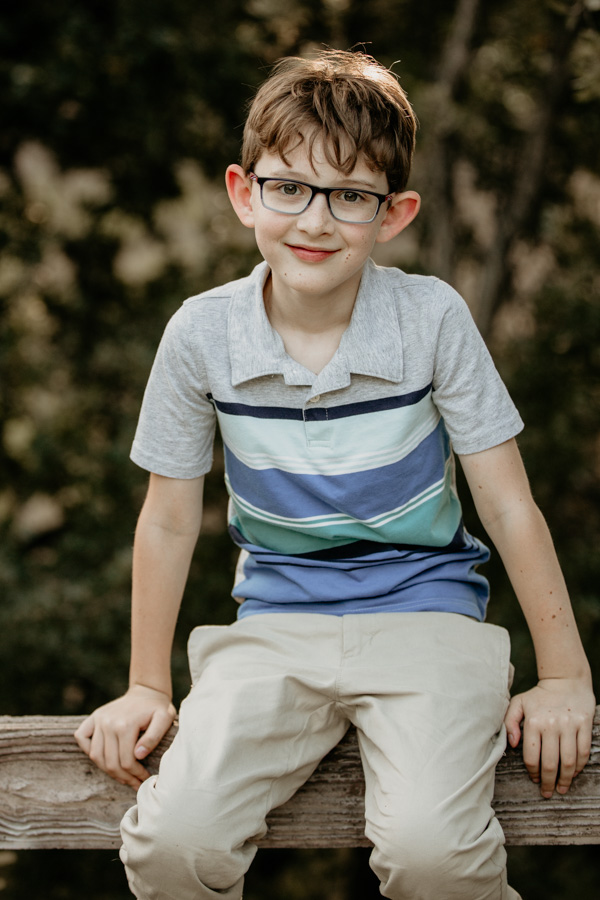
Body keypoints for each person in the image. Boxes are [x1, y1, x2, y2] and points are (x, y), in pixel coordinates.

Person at [75, 50, 595, 900]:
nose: (315, 220)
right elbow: (166, 520)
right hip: (274, 624)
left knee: (431, 852)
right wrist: (145, 685)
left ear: (393, 214)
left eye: (350, 196)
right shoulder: (202, 335)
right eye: (289, 187)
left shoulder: (431, 319)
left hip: (428, 617)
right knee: (174, 842)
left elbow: (508, 503)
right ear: (244, 192)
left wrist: (567, 676)